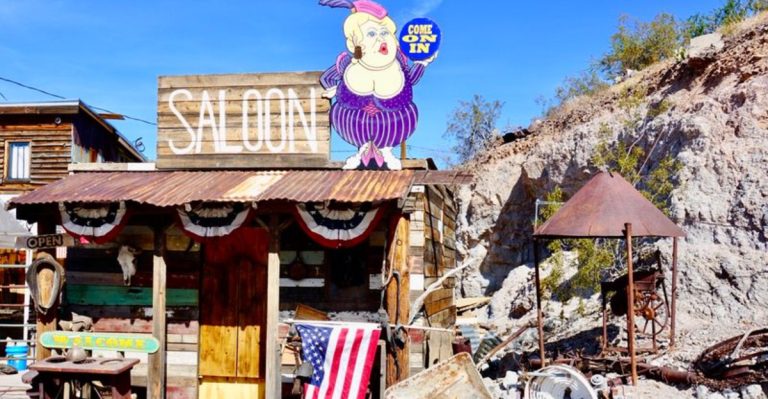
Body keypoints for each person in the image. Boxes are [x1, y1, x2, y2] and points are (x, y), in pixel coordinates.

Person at [320, 0, 436, 169]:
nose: (381, 38)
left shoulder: (399, 65)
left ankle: (386, 150)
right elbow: (326, 78)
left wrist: (421, 63)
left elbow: (411, 79)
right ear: (355, 43)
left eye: (385, 32)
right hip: (354, 126)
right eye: (372, 34)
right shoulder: (347, 66)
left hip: (393, 125)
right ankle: (362, 150)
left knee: (404, 117)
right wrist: (334, 90)